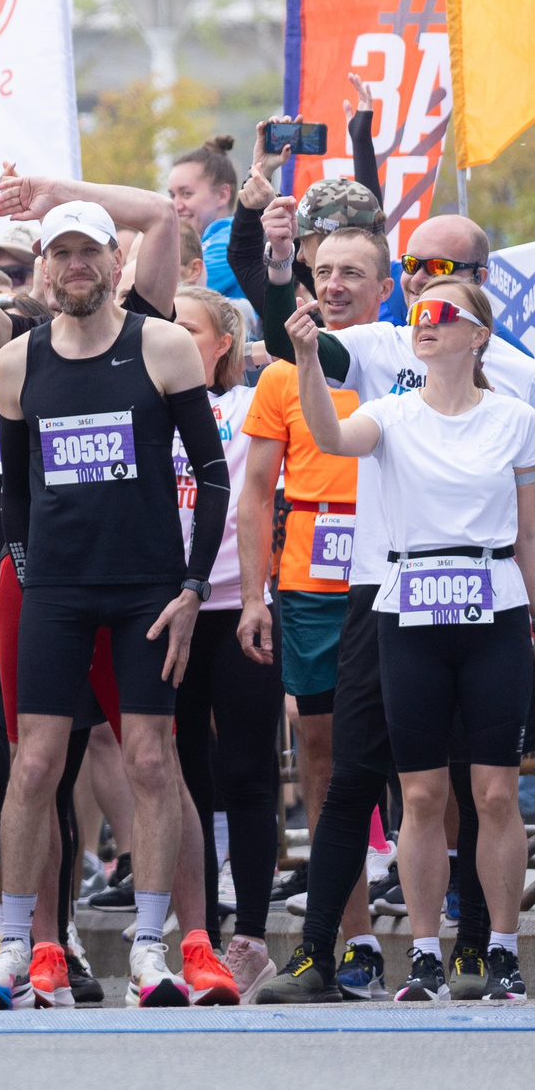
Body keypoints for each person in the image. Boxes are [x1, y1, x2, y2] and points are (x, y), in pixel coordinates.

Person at [251, 207, 535, 1003]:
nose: (418, 285)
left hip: (488, 596)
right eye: (409, 267)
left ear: (480, 287)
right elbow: (294, 350)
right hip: (387, 587)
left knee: (484, 784)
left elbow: (529, 526)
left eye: (438, 271)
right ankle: (325, 952)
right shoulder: (383, 344)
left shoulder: (517, 383)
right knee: (361, 776)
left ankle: (482, 946)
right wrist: (279, 269)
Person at [0, 203, 232, 1011]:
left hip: (147, 589)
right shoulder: (16, 361)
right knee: (35, 765)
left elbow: (212, 474)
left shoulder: (162, 344)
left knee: (151, 760)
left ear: (117, 261)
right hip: (58, 590)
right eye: (61, 253)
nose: (76, 265)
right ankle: (17, 947)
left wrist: (191, 587)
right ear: (43, 268)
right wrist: (29, 570)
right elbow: (15, 490)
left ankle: (152, 947)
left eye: (90, 251)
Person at [234, 226, 380, 995]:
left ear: (385, 288)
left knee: (432, 765)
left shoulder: (403, 366)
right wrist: (254, 595)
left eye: (353, 272)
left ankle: (451, 930)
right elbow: (256, 493)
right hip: (313, 588)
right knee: (323, 757)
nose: (335, 284)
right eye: (324, 272)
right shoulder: (284, 375)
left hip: (398, 578)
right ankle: (352, 936)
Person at [168, 286, 273, 999]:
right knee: (182, 779)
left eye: (185, 327)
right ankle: (197, 934)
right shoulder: (150, 401)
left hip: (239, 606)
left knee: (245, 771)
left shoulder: (246, 405)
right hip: (168, 609)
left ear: (222, 345)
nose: (169, 336)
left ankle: (253, 937)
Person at [167, 135, 243, 298]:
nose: (175, 205)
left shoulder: (232, 243)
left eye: (186, 194)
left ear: (222, 195)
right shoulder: (205, 241)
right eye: (172, 195)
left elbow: (167, 295)